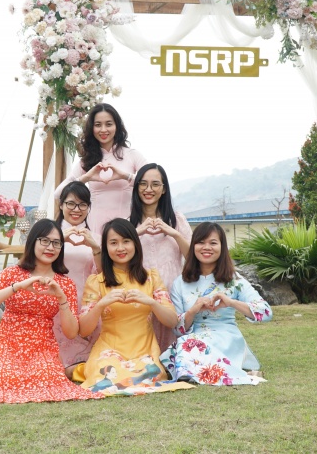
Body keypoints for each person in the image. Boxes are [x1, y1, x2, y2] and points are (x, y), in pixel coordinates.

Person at [0, 219, 102, 404]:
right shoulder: (12, 273)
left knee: (47, 380)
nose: (50, 247)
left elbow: (72, 332)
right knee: (7, 379)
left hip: (43, 348)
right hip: (9, 344)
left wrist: (62, 298)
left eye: (56, 243)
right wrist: (17, 287)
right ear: (33, 242)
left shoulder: (65, 284)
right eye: (45, 241)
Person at [73, 218, 193, 396]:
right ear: (106, 247)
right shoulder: (97, 281)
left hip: (144, 351)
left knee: (148, 375)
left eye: (126, 241)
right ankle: (87, 368)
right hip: (109, 350)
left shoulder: (151, 277)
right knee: (107, 376)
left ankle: (81, 369)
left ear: (135, 244)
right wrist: (101, 304)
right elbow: (84, 330)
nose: (120, 248)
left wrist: (151, 302)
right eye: (114, 243)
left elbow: (172, 321)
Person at [161, 222, 272, 386]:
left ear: (222, 247)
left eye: (213, 243)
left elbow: (266, 312)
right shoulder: (180, 283)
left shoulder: (234, 280)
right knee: (182, 345)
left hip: (226, 337)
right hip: (193, 338)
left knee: (186, 346)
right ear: (193, 246)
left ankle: (195, 373)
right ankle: (199, 372)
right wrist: (193, 310)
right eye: (201, 242)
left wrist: (231, 302)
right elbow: (177, 329)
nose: (207, 247)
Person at [54, 104, 146, 235]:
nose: (103, 130)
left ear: (117, 126)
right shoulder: (87, 161)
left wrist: (125, 176)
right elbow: (58, 194)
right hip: (94, 229)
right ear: (92, 128)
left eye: (108, 124)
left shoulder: (132, 155)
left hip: (126, 228)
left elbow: (153, 184)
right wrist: (86, 178)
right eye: (98, 125)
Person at [129, 163, 191, 350]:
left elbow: (193, 257)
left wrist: (174, 233)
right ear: (136, 187)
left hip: (173, 296)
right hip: (140, 296)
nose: (148, 189)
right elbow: (115, 257)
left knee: (173, 350)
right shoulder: (127, 224)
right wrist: (135, 233)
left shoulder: (177, 220)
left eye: (155, 184)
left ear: (164, 189)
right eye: (143, 184)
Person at [53, 181, 103, 376]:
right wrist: (57, 241)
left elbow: (103, 274)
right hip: (55, 297)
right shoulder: (49, 235)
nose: (76, 209)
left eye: (82, 204)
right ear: (61, 205)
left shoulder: (96, 237)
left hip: (86, 298)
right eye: (71, 203)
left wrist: (96, 248)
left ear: (89, 207)